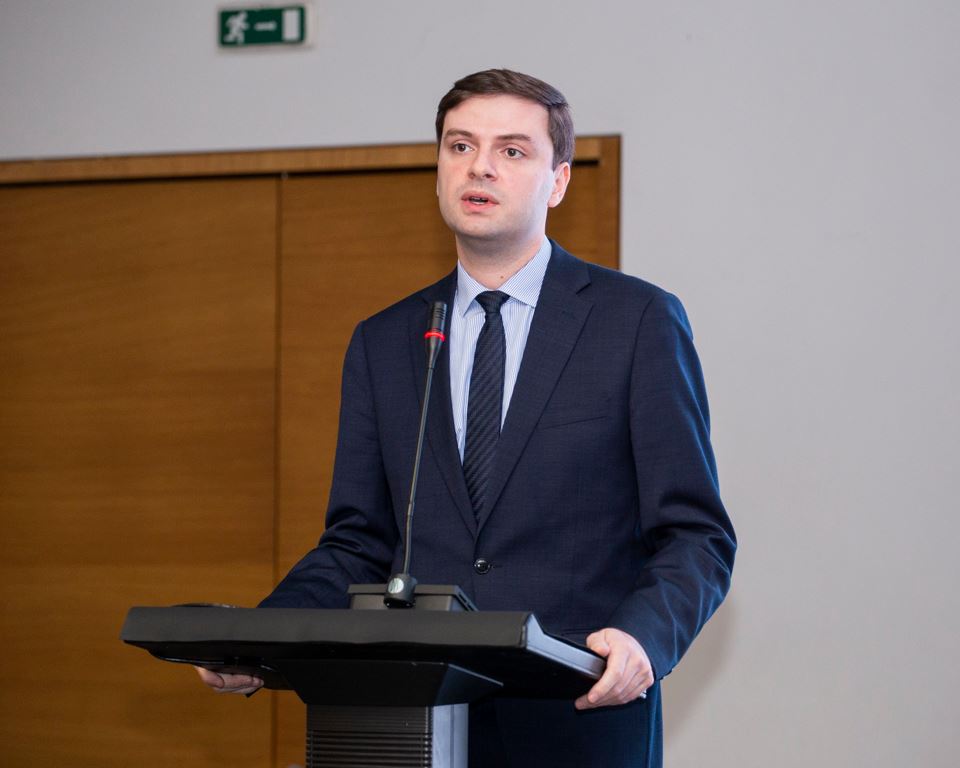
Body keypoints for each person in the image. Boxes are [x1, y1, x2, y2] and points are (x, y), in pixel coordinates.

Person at [197, 68, 736, 767]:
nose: (479, 166)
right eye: (459, 146)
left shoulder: (635, 321)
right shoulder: (385, 341)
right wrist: (262, 639)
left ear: (558, 181)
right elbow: (358, 542)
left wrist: (642, 641)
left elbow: (695, 534)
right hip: (410, 718)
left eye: (511, 150)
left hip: (577, 712)